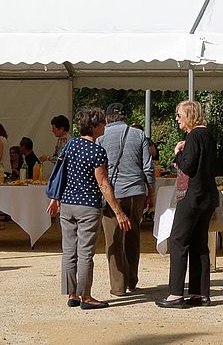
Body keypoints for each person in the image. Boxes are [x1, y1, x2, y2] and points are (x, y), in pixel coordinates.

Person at [47, 107, 132, 309]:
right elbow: (103, 184)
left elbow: (61, 173)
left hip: (67, 204)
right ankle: (86, 296)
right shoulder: (97, 151)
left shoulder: (70, 145)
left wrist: (54, 198)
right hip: (88, 206)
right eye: (102, 123)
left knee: (69, 251)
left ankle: (72, 294)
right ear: (94, 127)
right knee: (85, 253)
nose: (105, 125)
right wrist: (119, 212)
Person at [159, 101, 222, 308]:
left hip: (192, 196)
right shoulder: (209, 135)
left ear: (190, 115)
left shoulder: (194, 135)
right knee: (199, 244)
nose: (177, 119)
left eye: (179, 115)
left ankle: (175, 294)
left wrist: (178, 152)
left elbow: (188, 166)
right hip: (207, 196)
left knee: (178, 242)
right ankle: (199, 293)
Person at [98, 103, 153, 296]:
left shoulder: (101, 139)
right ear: (125, 117)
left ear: (106, 119)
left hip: (114, 194)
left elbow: (100, 171)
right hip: (137, 192)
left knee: (113, 240)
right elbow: (148, 167)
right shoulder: (138, 135)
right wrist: (150, 192)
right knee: (133, 236)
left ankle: (118, 286)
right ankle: (132, 281)